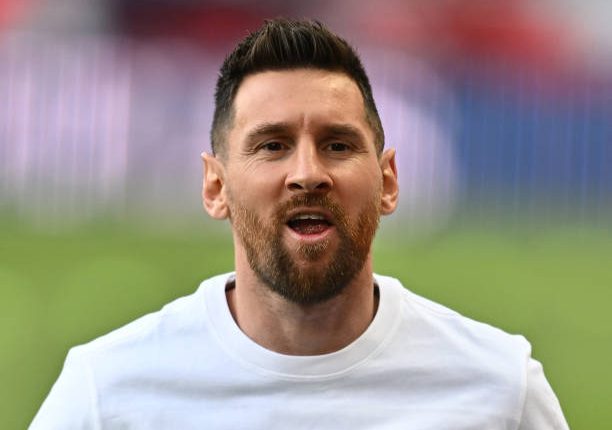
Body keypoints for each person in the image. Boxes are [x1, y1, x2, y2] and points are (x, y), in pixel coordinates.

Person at [30, 18, 569, 429]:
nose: (308, 174)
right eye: (272, 146)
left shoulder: (500, 390)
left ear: (388, 181)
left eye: (338, 145)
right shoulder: (106, 393)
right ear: (216, 187)